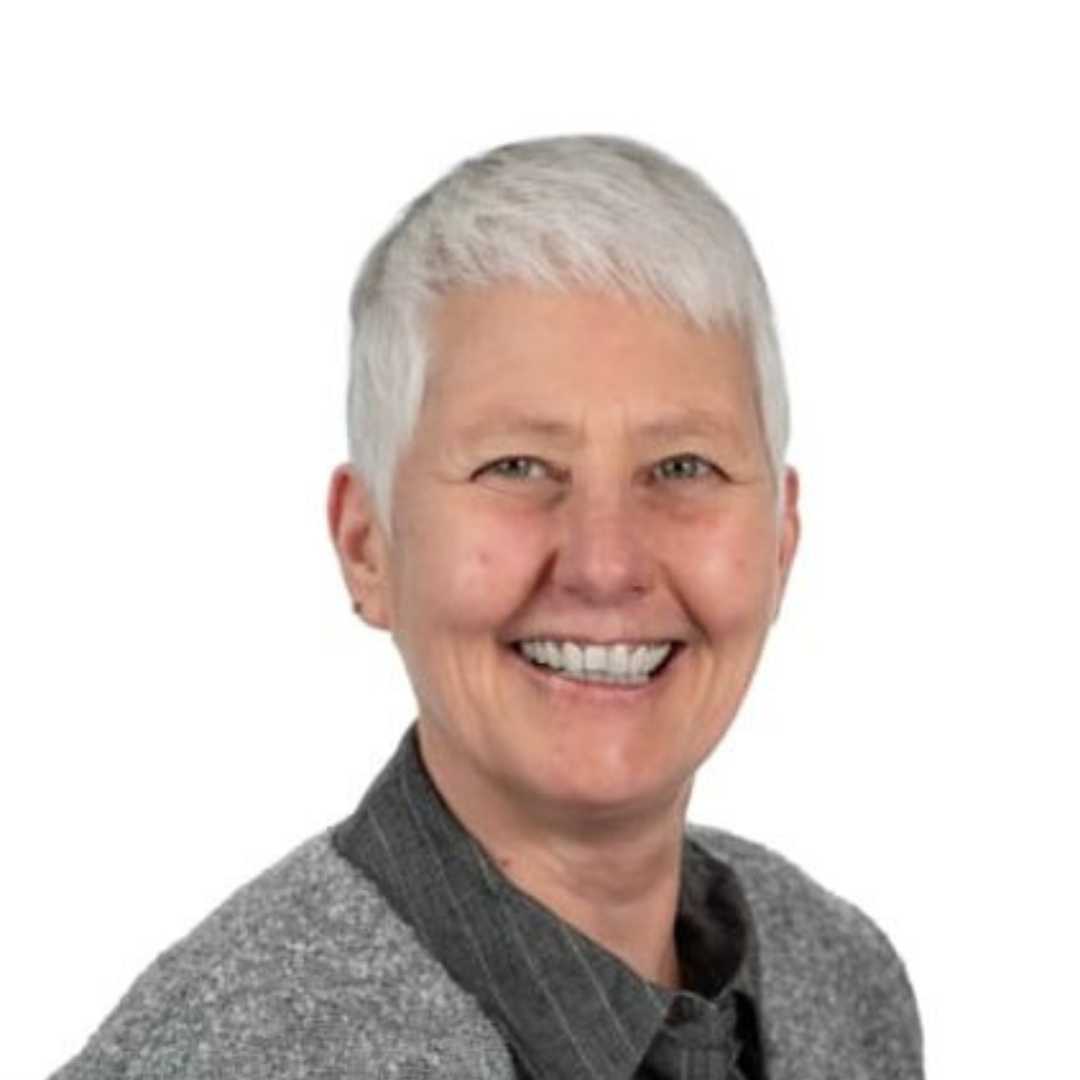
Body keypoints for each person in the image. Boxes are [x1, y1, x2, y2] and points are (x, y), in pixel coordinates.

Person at [52, 135, 923, 1079]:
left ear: (780, 540)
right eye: (516, 466)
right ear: (368, 545)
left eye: (682, 466)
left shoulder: (842, 982)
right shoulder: (228, 1056)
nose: (605, 564)